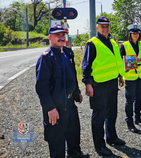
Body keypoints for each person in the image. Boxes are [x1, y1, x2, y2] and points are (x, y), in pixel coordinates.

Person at [36, 24, 89, 158]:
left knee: (73, 131)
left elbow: (72, 74)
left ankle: (74, 153)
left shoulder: (67, 53)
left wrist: (77, 92)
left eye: (63, 34)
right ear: (50, 37)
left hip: (69, 103)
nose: (61, 37)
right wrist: (50, 108)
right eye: (57, 35)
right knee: (56, 140)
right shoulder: (46, 58)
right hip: (56, 107)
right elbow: (42, 87)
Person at [81, 16, 125, 157]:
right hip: (98, 85)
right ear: (97, 27)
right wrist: (88, 84)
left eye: (107, 26)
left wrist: (120, 76)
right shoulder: (92, 43)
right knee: (99, 115)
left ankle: (111, 137)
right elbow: (86, 66)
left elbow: (116, 61)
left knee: (112, 112)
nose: (105, 28)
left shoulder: (112, 42)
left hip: (112, 82)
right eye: (102, 26)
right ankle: (99, 146)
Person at [120, 24, 141, 133]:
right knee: (130, 100)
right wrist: (123, 71)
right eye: (133, 33)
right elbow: (120, 62)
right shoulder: (124, 45)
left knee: (139, 99)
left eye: (137, 33)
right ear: (130, 34)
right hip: (130, 77)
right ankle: (130, 122)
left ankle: (138, 119)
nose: (135, 35)